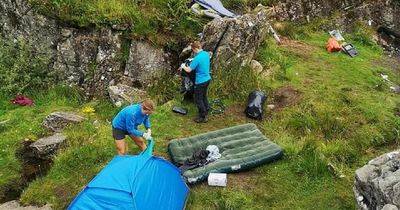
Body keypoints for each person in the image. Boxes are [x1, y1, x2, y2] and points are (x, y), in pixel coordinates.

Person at [181, 41, 211, 123]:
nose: (193, 51)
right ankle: (207, 108)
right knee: (204, 96)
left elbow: (189, 69)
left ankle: (203, 116)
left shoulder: (197, 58)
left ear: (195, 49)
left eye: (193, 50)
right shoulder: (206, 54)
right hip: (207, 79)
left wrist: (183, 66)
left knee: (198, 99)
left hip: (200, 81)